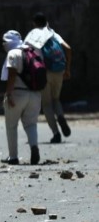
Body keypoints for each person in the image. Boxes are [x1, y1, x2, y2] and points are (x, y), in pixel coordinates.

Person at [24, 13, 72, 144]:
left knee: (46, 104)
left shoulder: (32, 34)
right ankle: (61, 116)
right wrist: (67, 69)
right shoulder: (52, 33)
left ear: (34, 23)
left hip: (44, 72)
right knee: (56, 99)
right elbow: (68, 48)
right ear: (46, 22)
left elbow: (24, 52)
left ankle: (56, 134)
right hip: (59, 69)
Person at [0, 30, 41, 165]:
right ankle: (34, 146)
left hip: (18, 93)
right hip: (35, 94)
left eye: (5, 42)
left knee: (11, 126)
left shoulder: (13, 53)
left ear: (10, 42)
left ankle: (13, 157)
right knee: (31, 124)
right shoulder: (33, 51)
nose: (3, 45)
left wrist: (8, 93)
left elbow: (11, 75)